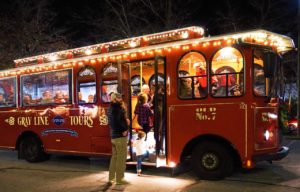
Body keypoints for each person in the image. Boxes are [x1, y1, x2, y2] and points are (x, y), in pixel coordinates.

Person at [108, 92, 130, 185]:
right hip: (120, 136)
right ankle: (120, 179)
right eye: (119, 98)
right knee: (121, 158)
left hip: (113, 136)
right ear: (114, 99)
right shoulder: (118, 109)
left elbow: (113, 122)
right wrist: (125, 127)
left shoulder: (110, 108)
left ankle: (111, 177)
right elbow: (119, 121)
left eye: (121, 97)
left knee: (114, 157)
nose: (121, 99)